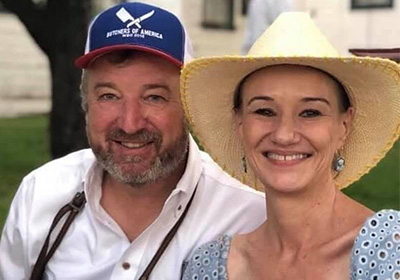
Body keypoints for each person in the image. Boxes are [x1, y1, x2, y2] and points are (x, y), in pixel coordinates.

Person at [0, 2, 266, 280]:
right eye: (109, 96)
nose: (130, 124)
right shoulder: (41, 195)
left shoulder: (248, 213)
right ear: (85, 103)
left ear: (190, 106)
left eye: (154, 97)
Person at [181, 12, 400, 280]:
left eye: (310, 113)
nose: (284, 135)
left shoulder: (390, 253)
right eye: (264, 111)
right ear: (240, 123)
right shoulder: (207, 267)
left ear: (344, 125)